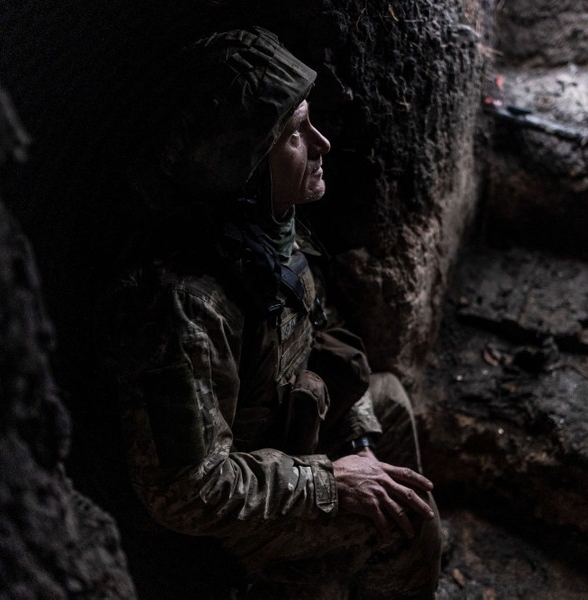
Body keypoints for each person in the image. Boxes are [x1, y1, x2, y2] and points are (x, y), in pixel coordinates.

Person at [101, 27, 441, 599]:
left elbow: (323, 333)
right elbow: (187, 488)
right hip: (235, 508)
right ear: (245, 168)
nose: (322, 143)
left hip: (290, 439)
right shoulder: (187, 306)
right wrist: (329, 484)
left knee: (389, 405)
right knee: (413, 529)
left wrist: (356, 446)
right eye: (294, 134)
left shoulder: (271, 234)